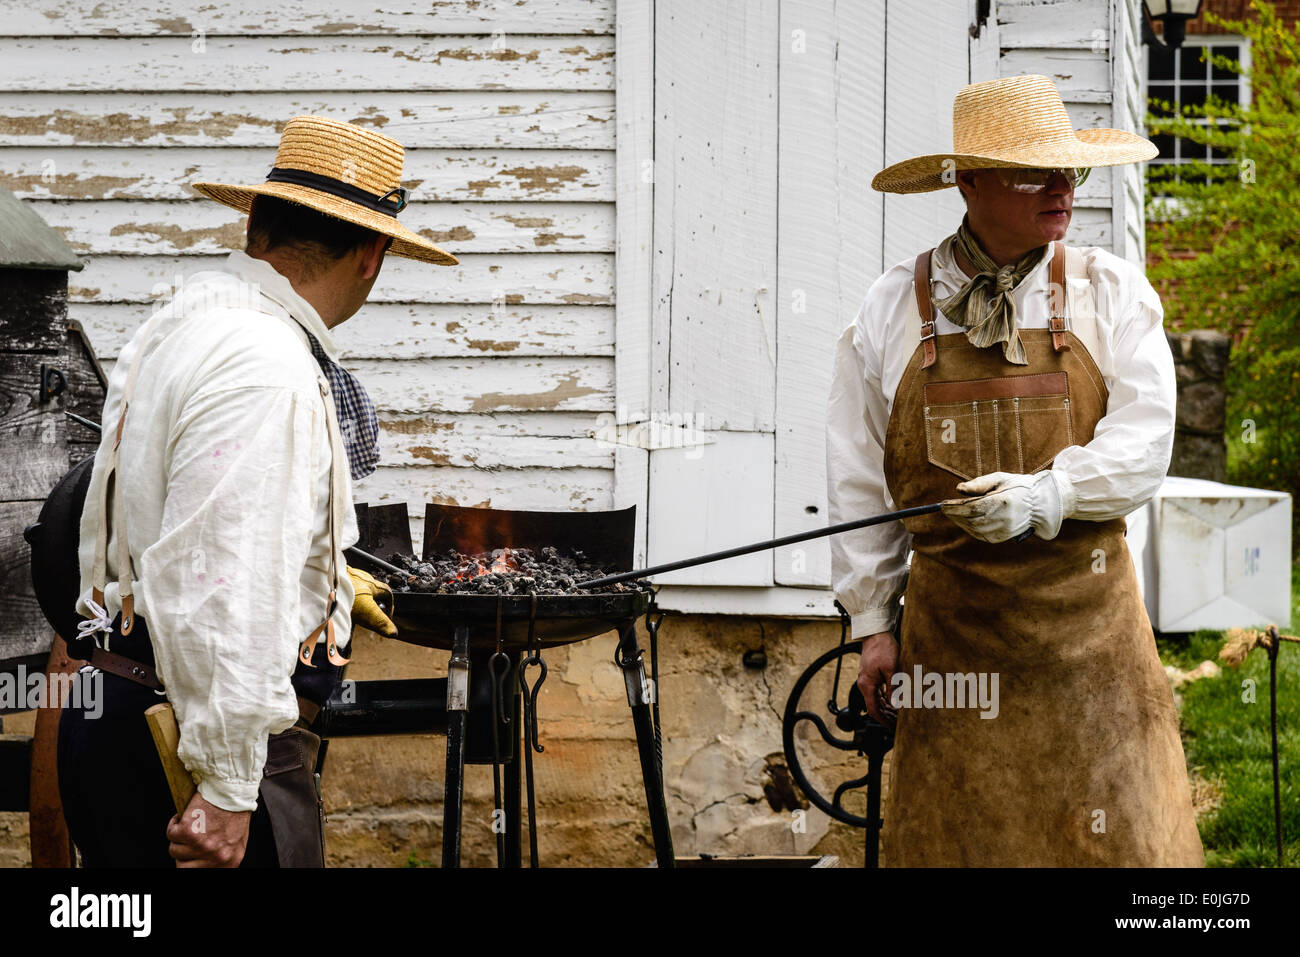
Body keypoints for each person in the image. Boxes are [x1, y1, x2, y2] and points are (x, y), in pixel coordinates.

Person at [58, 116, 457, 867]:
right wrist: (228, 787)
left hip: (128, 710)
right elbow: (223, 584)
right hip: (182, 742)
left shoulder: (190, 319)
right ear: (374, 254)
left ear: (256, 224)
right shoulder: (266, 364)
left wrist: (326, 585)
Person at [826, 75, 1204, 866]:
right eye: (1035, 171)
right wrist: (871, 628)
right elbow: (858, 476)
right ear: (969, 181)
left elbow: (1146, 444)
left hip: (1092, 652)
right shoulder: (892, 308)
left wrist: (1049, 493)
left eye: (1071, 169)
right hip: (954, 655)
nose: (1063, 188)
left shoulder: (1110, 292)